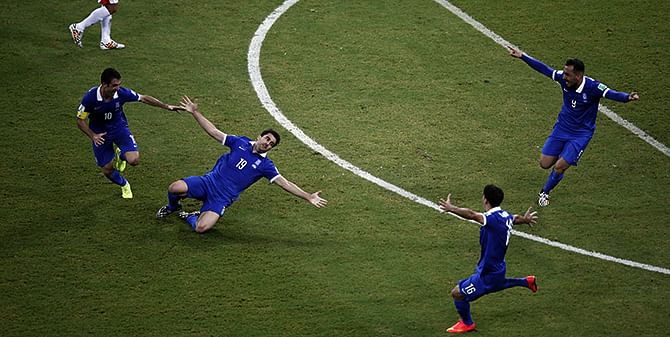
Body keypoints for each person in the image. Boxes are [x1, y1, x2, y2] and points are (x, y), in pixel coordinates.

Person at [156, 96, 328, 233]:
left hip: (222, 198)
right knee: (175, 188)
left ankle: (189, 216)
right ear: (260, 136)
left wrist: (308, 196)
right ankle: (173, 206)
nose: (268, 143)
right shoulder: (240, 143)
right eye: (267, 139)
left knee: (201, 228)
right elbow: (214, 132)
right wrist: (195, 112)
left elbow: (285, 183)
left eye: (271, 144)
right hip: (208, 182)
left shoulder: (265, 165)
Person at [508, 47, 640, 207]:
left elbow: (611, 93)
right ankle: (564, 155)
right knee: (544, 163)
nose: (564, 77)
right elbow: (544, 69)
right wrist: (523, 56)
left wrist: (627, 97)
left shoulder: (593, 87)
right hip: (562, 128)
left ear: (578, 76)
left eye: (568, 75)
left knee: (559, 167)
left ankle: (545, 192)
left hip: (581, 134)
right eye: (564, 73)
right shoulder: (563, 79)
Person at [438, 184, 538, 333]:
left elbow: (472, 215)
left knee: (458, 293)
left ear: (485, 199)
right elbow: (515, 218)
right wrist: (525, 219)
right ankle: (526, 282)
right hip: (497, 267)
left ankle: (467, 323)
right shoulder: (505, 215)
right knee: (498, 284)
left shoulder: (491, 219)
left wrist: (451, 208)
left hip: (488, 272)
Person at [76, 68, 183, 198]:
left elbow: (143, 98)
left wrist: (166, 106)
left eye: (119, 84)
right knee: (107, 170)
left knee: (134, 160)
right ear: (104, 84)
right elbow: (80, 120)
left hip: (118, 128)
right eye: (114, 85)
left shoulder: (121, 93)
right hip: (100, 134)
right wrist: (93, 135)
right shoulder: (90, 98)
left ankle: (121, 155)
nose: (118, 88)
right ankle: (124, 184)